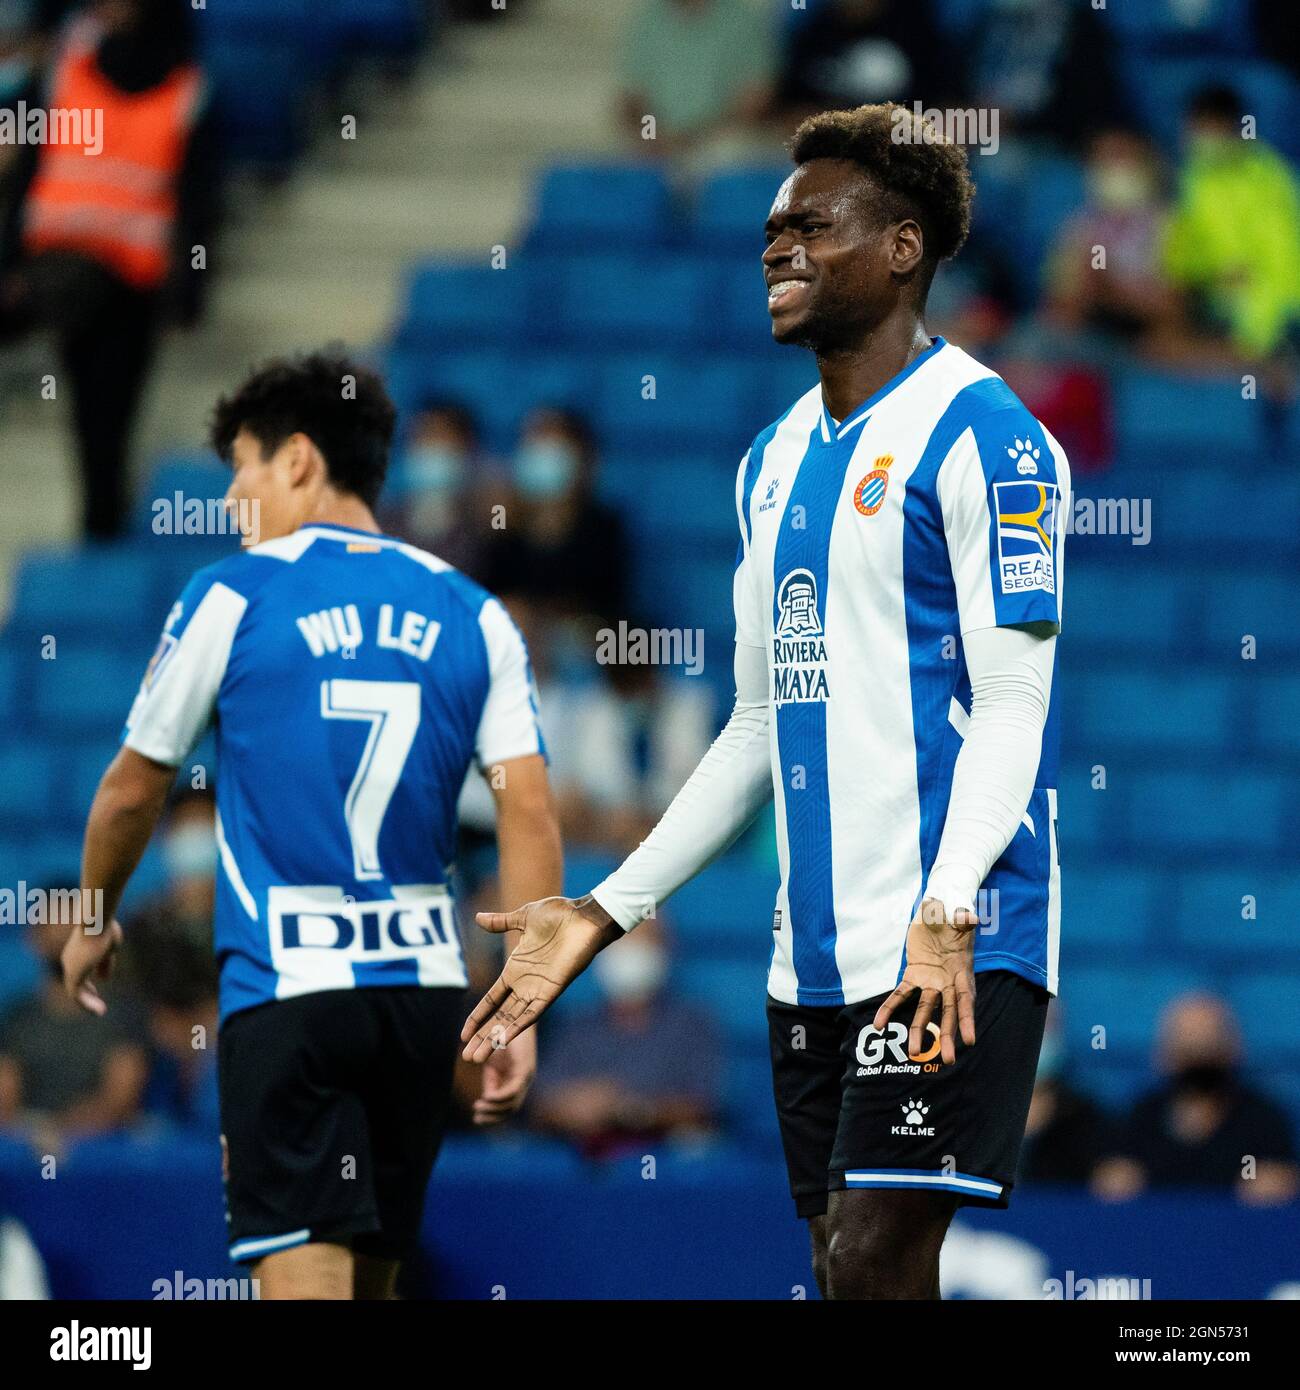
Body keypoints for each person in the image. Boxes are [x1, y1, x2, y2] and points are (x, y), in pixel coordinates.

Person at [463, 102, 1069, 1302]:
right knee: (839, 1266)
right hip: (814, 956)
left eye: (811, 226)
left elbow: (1013, 702)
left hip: (952, 932)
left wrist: (947, 906)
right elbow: (756, 723)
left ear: (902, 248)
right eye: (771, 231)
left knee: (873, 1258)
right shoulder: (770, 462)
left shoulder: (989, 438)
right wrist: (605, 909)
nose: (777, 247)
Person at [59, 350, 561, 1300]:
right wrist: (521, 1001)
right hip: (421, 1001)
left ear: (296, 460)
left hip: (291, 992)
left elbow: (130, 790)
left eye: (242, 468)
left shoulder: (234, 594)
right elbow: (527, 810)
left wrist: (94, 918)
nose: (233, 498)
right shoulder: (474, 611)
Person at [0, 0, 219, 537]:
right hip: (54, 266)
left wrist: (189, 290)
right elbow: (26, 168)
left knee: (103, 433)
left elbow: (199, 202)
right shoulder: (64, 71)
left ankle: (100, 538)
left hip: (129, 286)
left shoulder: (188, 92)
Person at [530, 917, 722, 1158]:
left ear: (664, 948)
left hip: (662, 1160)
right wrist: (572, 1109)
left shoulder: (692, 1026)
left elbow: (703, 1107)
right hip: (584, 1158)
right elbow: (541, 1105)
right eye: (617, 940)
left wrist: (626, 1110)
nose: (627, 951)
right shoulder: (577, 1027)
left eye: (640, 940)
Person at [1093, 994, 1298, 1206]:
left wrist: (1278, 1185)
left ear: (1235, 1049)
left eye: (1209, 1047)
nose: (1199, 1061)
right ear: (1162, 1054)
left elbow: (1280, 1178)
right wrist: (1114, 1182)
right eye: (1187, 1049)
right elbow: (1112, 1178)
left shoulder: (1263, 1121)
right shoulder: (1141, 1118)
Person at [0, 882, 149, 1152]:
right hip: (28, 1155)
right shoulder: (17, 1019)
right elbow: (4, 1102)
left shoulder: (125, 1015)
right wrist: (38, 1136)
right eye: (54, 923)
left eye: (76, 925)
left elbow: (119, 1101)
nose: (65, 934)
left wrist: (58, 1135)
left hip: (103, 1159)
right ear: (34, 937)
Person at [617, 0, 775, 159]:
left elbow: (756, 99)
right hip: (658, 142)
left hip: (717, 141)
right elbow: (632, 100)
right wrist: (651, 135)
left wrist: (695, 138)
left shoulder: (740, 19)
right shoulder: (651, 19)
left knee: (730, 150)